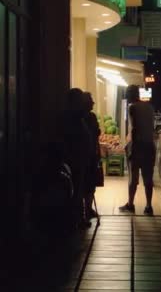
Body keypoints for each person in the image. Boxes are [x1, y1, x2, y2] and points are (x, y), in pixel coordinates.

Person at [119, 85, 156, 215]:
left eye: (128, 93)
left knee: (133, 178)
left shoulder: (132, 107)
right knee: (148, 178)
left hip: (138, 146)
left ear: (131, 94)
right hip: (150, 146)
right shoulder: (149, 107)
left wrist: (130, 147)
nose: (127, 96)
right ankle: (149, 206)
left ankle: (130, 204)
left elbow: (135, 128)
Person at [60, 88, 92, 228]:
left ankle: (77, 218)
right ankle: (76, 219)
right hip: (74, 158)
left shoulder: (77, 116)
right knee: (76, 189)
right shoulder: (74, 117)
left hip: (78, 158)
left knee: (78, 188)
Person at [82, 92, 102, 219]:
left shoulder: (91, 117)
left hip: (92, 154)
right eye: (91, 101)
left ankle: (88, 209)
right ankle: (85, 211)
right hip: (85, 156)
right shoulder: (86, 118)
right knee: (86, 184)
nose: (93, 103)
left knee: (90, 184)